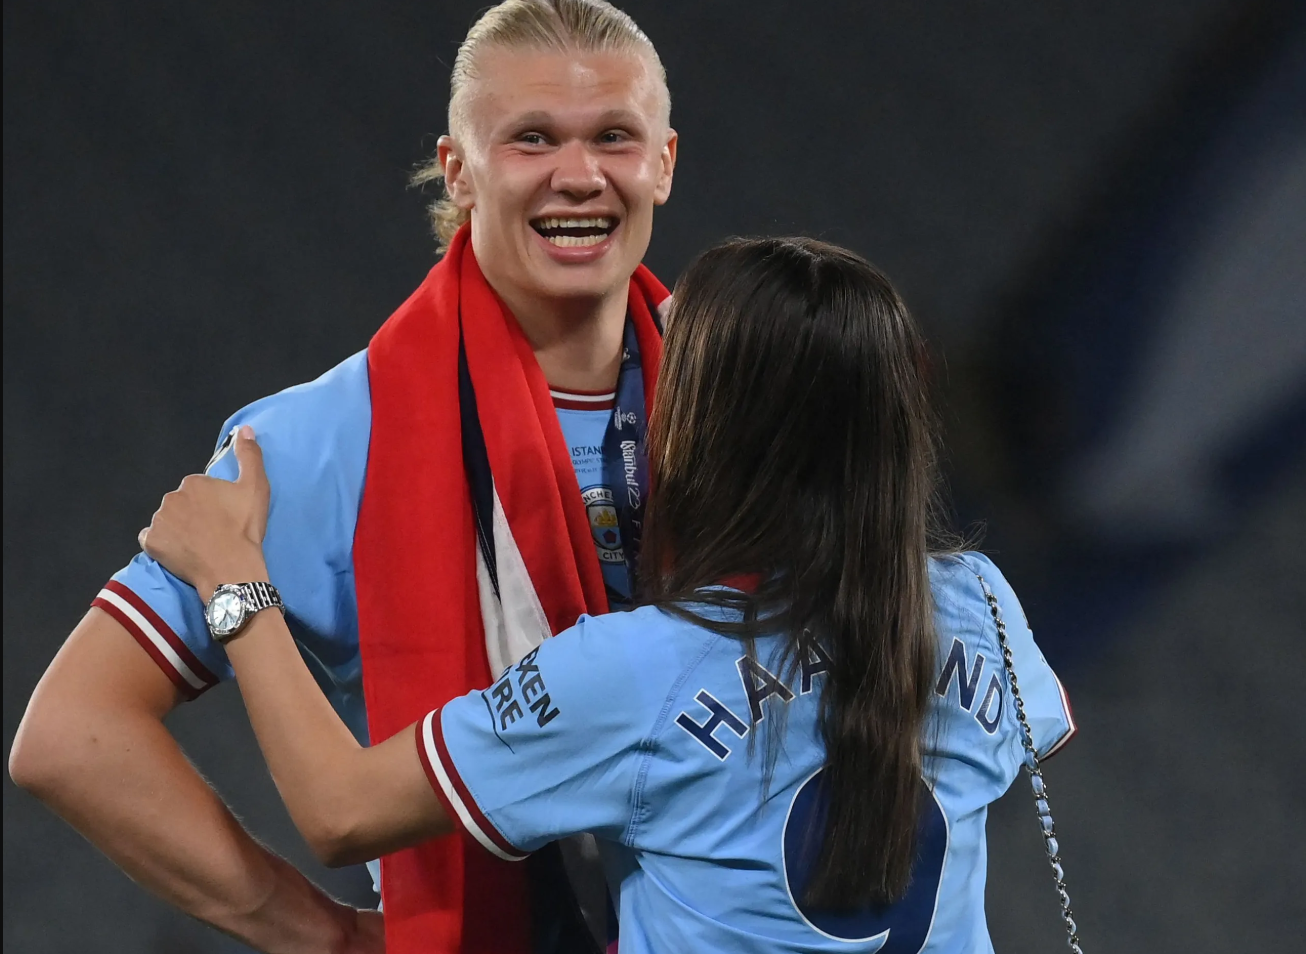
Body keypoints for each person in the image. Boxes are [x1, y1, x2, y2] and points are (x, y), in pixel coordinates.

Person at [135, 236, 1079, 953]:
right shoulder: (979, 603)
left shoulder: (635, 669)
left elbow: (341, 810)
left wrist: (235, 582)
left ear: (709, 426)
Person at [10, 1, 678, 950]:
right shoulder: (327, 440)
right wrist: (320, 935)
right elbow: (72, 735)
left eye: (613, 136)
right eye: (531, 138)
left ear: (663, 162)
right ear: (458, 168)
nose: (578, 175)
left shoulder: (760, 401)